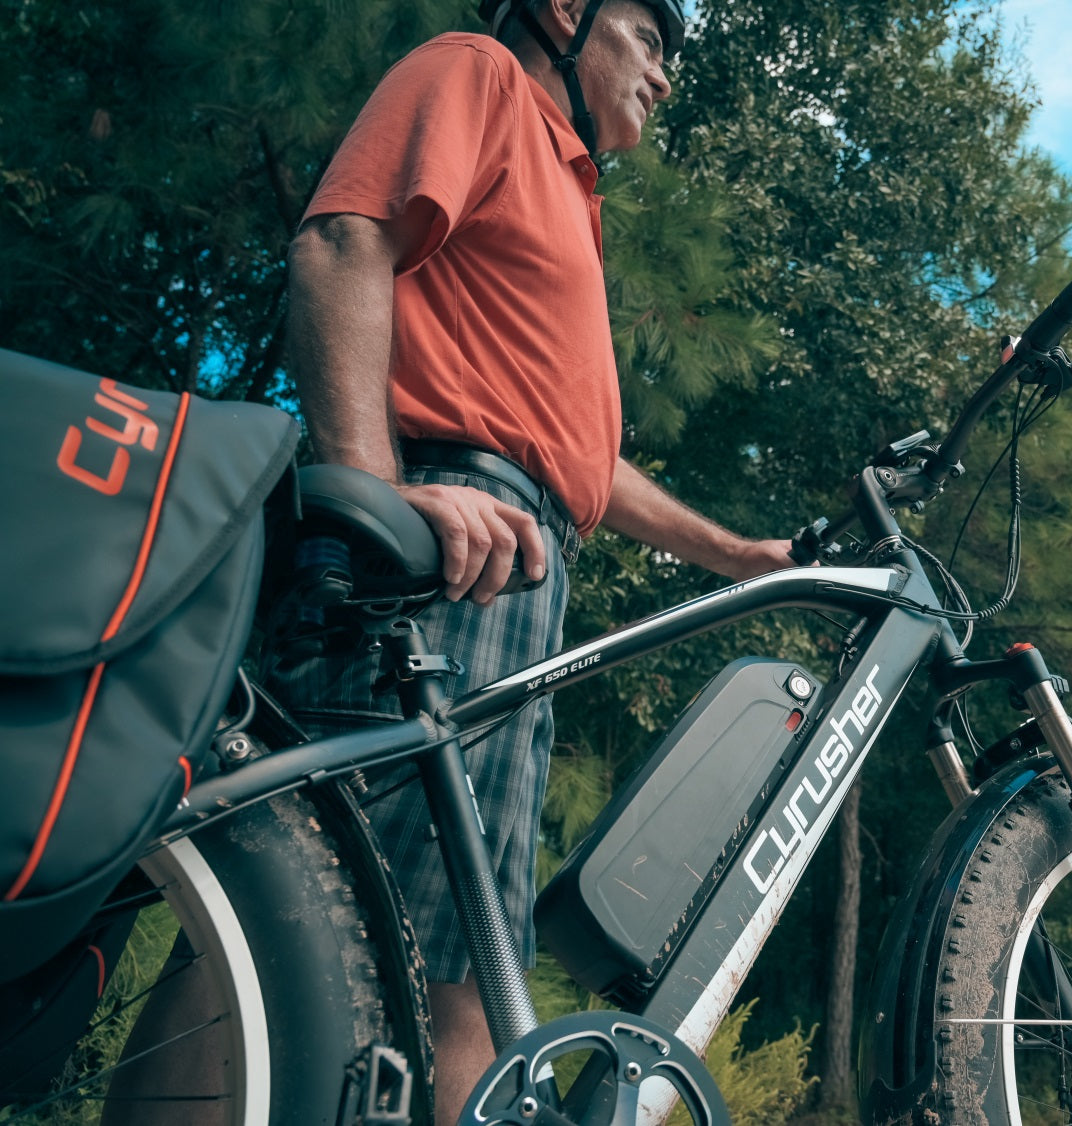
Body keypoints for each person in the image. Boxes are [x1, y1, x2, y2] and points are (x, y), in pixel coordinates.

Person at [275, 0, 794, 1120]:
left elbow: (582, 464)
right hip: (445, 553)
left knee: (469, 967)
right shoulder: (479, 76)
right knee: (304, 922)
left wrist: (736, 554)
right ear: (566, 11)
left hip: (516, 563)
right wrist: (374, 503)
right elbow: (342, 240)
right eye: (651, 39)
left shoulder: (570, 189)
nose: (664, 75)